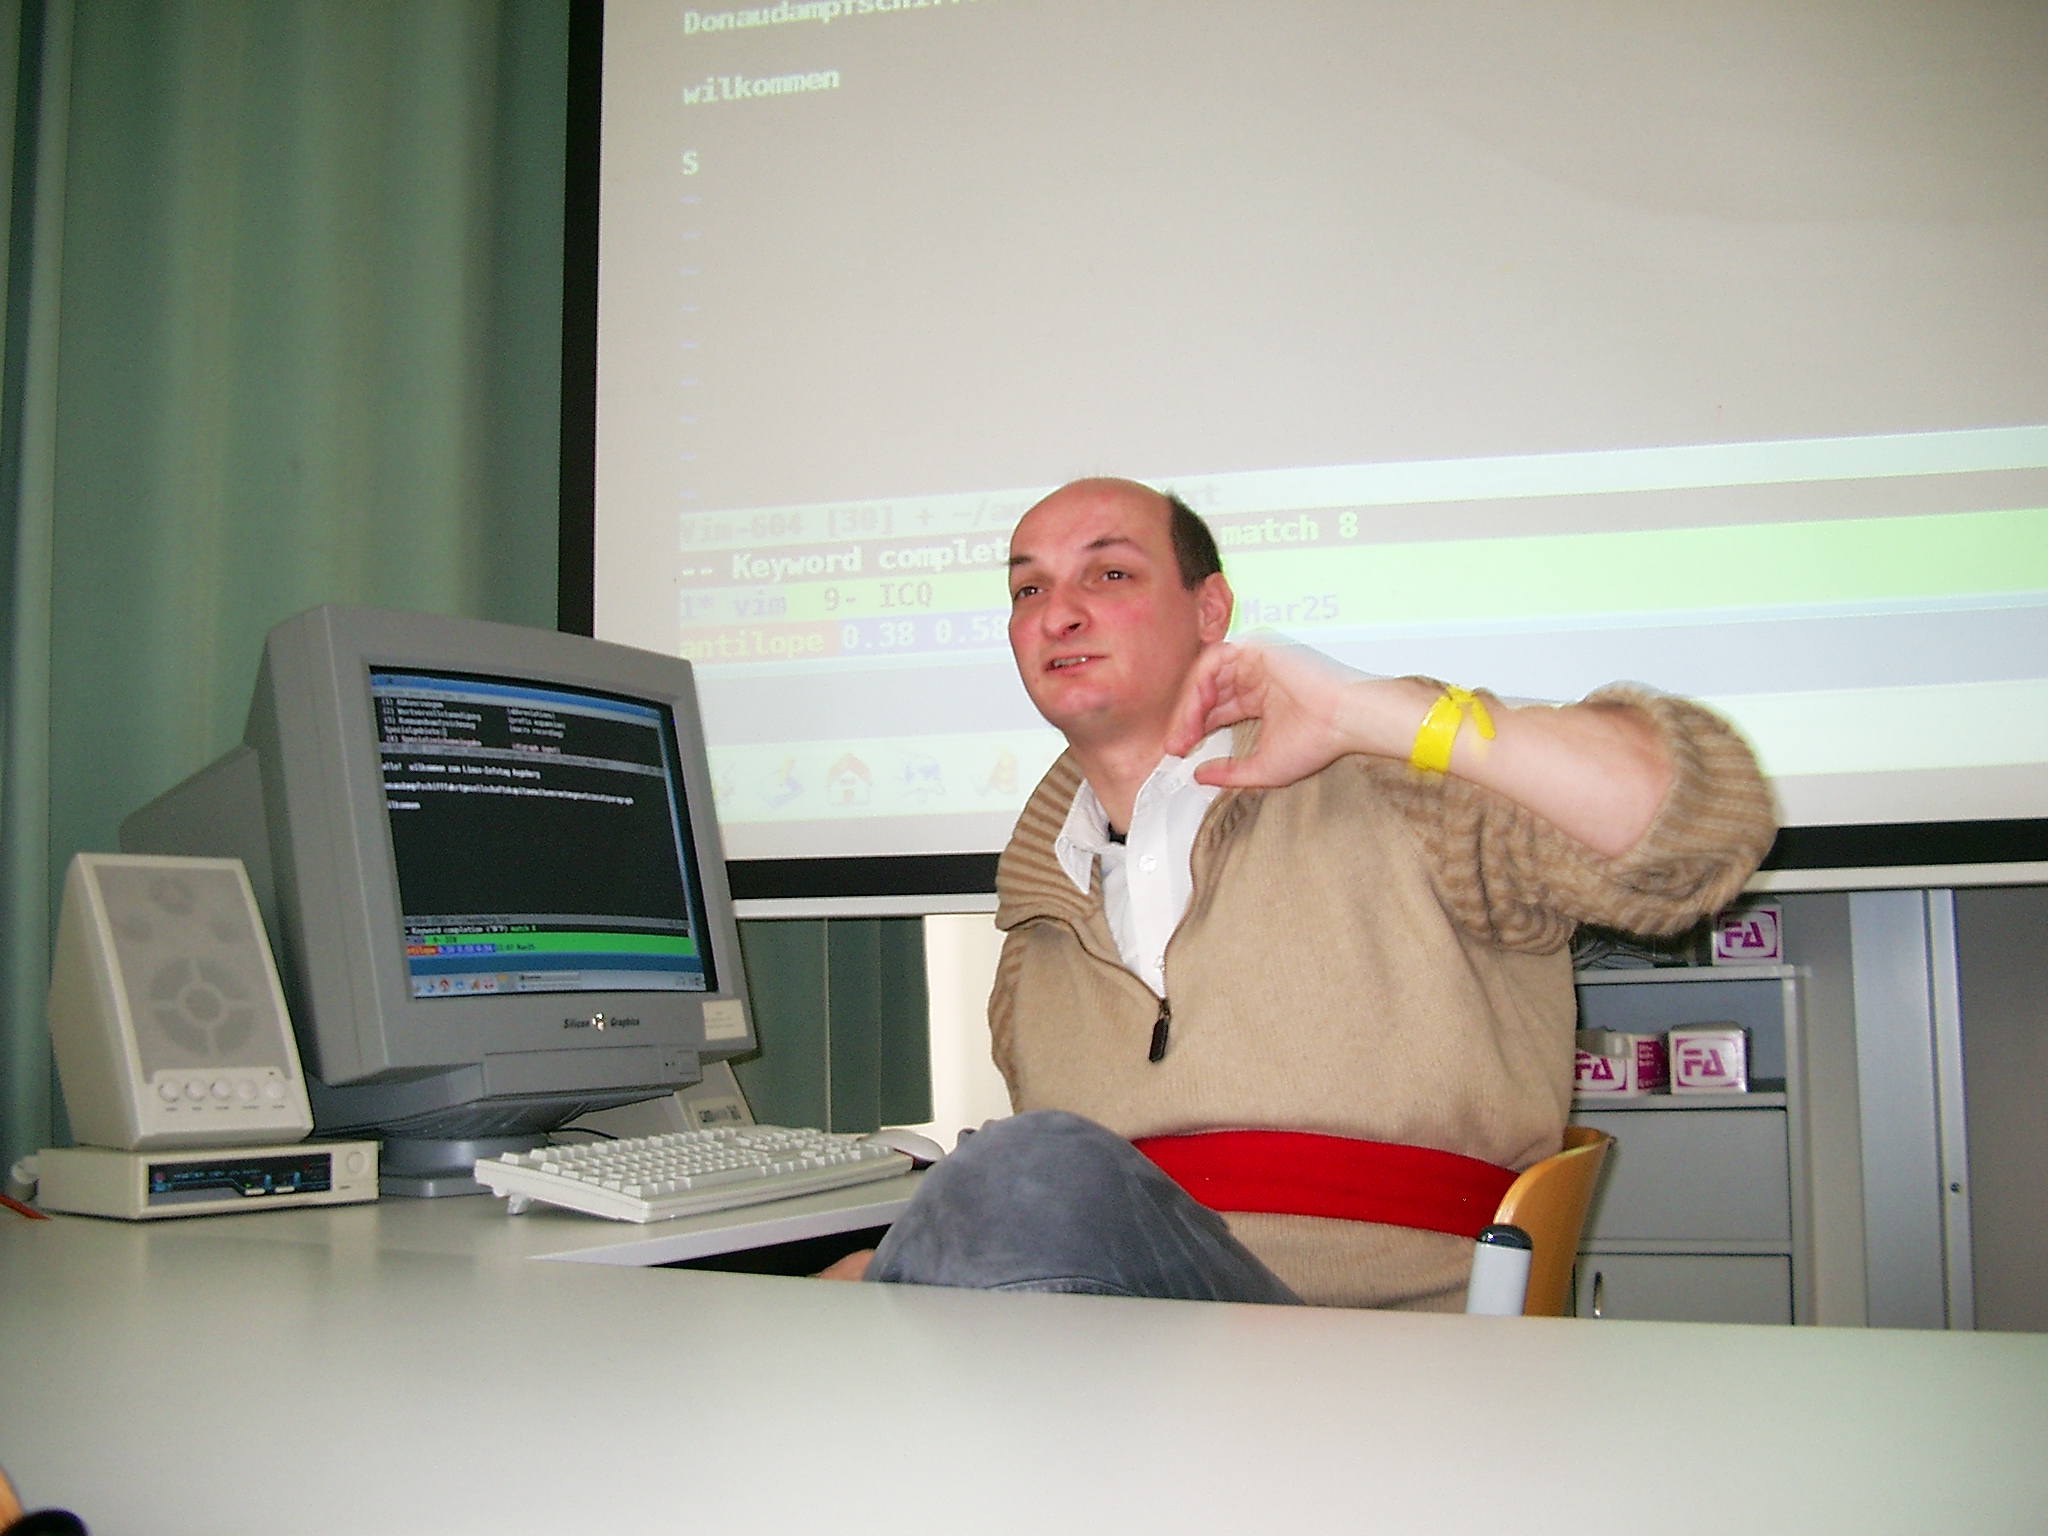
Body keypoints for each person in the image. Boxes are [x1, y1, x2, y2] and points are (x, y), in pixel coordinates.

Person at [823, 478, 1774, 1308]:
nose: (1058, 614)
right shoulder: (1036, 926)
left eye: (1108, 574)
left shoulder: (1403, 784)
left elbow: (1695, 832)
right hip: (1121, 1358)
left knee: (1023, 1170)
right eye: (1028, 588)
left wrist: (1373, 709)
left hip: (1384, 1344)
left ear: (1210, 609)